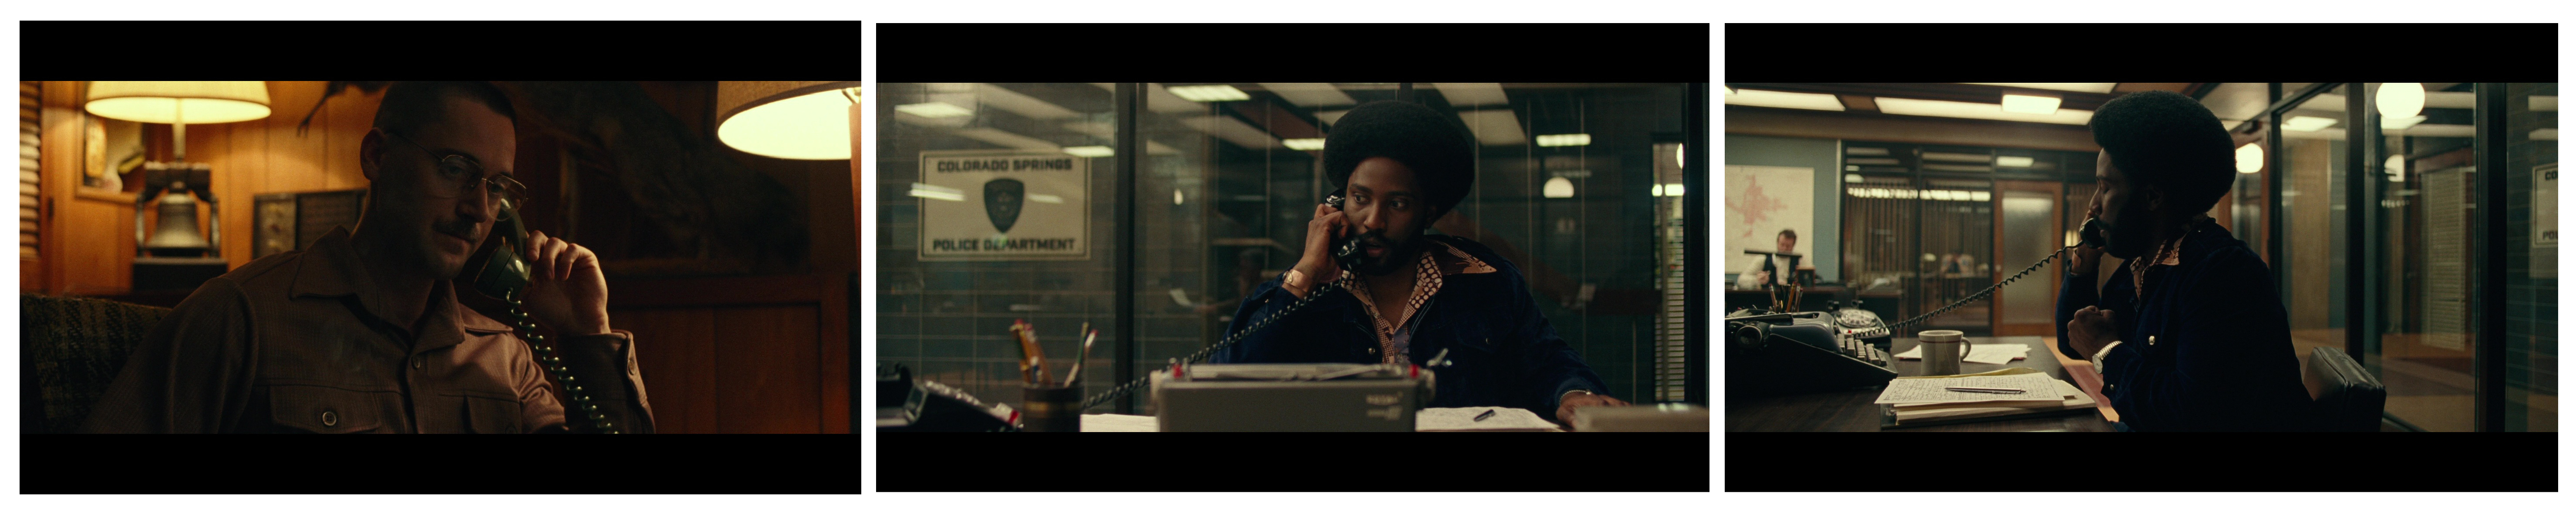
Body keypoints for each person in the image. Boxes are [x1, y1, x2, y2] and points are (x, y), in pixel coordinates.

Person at [81, 81, 654, 433]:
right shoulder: (242, 317)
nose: (479, 209)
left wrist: (588, 335)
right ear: (378, 156)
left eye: (499, 187)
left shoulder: (505, 358)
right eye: (456, 169)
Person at [1217, 100, 1625, 425]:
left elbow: (1547, 362)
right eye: (1360, 199)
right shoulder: (1305, 293)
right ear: (1338, 205)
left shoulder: (1486, 282)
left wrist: (1575, 395)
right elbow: (1228, 382)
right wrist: (1305, 275)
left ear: (1428, 214)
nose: (1374, 221)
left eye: (1397, 204)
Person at [2056, 90, 2309, 432]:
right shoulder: (2147, 263)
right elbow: (2074, 341)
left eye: (2105, 188)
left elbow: (2190, 413)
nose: (2094, 205)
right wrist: (2083, 266)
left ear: (2152, 197)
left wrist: (2106, 350)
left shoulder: (2222, 273)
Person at [1734, 229, 1801, 289]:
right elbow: (1741, 280)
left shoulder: (1799, 261)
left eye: (1788, 246)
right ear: (1778, 243)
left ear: (1793, 246)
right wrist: (1757, 280)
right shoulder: (1763, 259)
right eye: (1782, 245)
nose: (1784, 249)